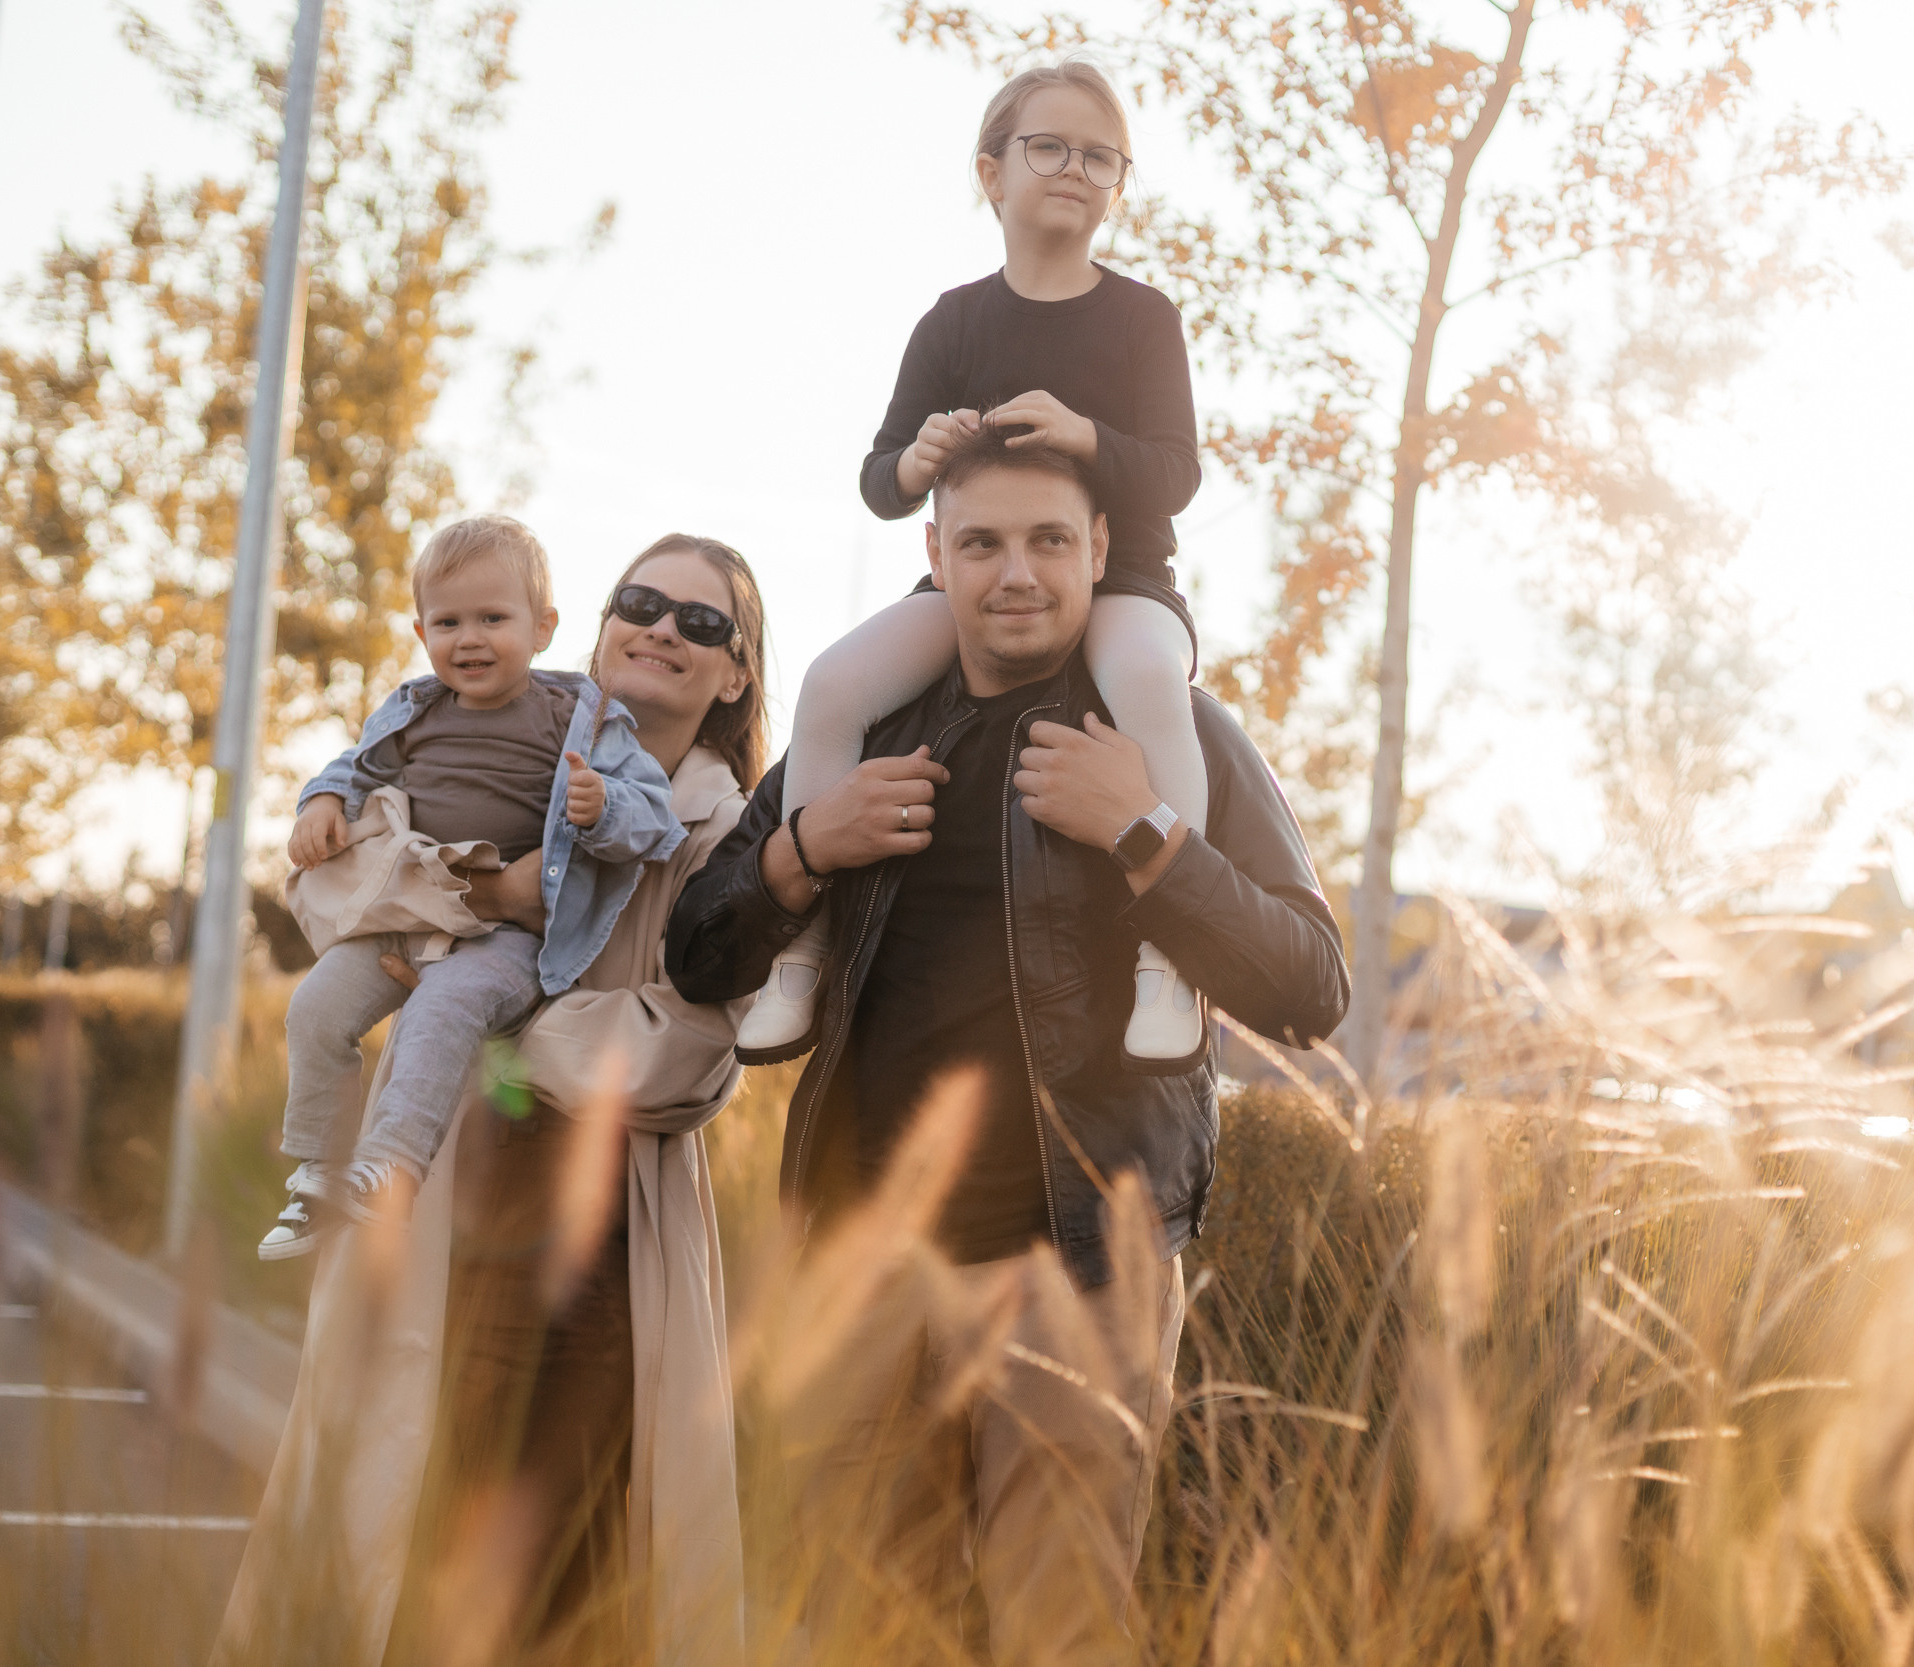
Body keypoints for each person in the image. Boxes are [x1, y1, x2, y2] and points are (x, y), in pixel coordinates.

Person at [666, 427, 1348, 1663]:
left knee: (1060, 1632)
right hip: (862, 1262)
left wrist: (1141, 832)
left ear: (1099, 550)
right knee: (861, 1631)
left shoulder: (1169, 733)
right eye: (980, 543)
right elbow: (698, 949)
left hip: (1075, 1270)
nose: (1015, 571)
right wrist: (806, 847)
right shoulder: (867, 728)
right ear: (935, 556)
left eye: (1047, 540)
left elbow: (1311, 986)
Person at [217, 534, 771, 1667]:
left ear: (734, 674)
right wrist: (476, 880)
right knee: (402, 1541)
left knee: (559, 1571)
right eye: (643, 600)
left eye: (703, 622)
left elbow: (690, 1057)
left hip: (601, 1246)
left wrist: (492, 1016)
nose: (664, 626)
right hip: (437, 1206)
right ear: (599, 624)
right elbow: (333, 894)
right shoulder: (497, 739)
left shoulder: (726, 829)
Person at [737, 59, 1211, 1072]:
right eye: (1049, 146)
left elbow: (1175, 473)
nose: (1074, 169)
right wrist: (920, 457)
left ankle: (1172, 956)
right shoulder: (954, 319)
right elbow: (880, 479)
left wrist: (1084, 435)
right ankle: (805, 948)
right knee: (834, 682)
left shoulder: (1141, 319)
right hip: (973, 584)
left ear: (1116, 184)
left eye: (1100, 156)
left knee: (1141, 678)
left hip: (1120, 577)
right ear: (992, 172)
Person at [262, 514, 683, 1260]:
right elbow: (354, 768)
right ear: (422, 631)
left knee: (442, 1007)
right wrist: (320, 803)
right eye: (449, 621)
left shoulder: (576, 716)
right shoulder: (414, 710)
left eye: (494, 618)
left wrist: (601, 807)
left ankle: (388, 1169)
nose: (471, 638)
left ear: (543, 625)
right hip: (411, 916)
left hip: (508, 938)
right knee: (315, 1007)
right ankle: (319, 1171)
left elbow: (653, 813)